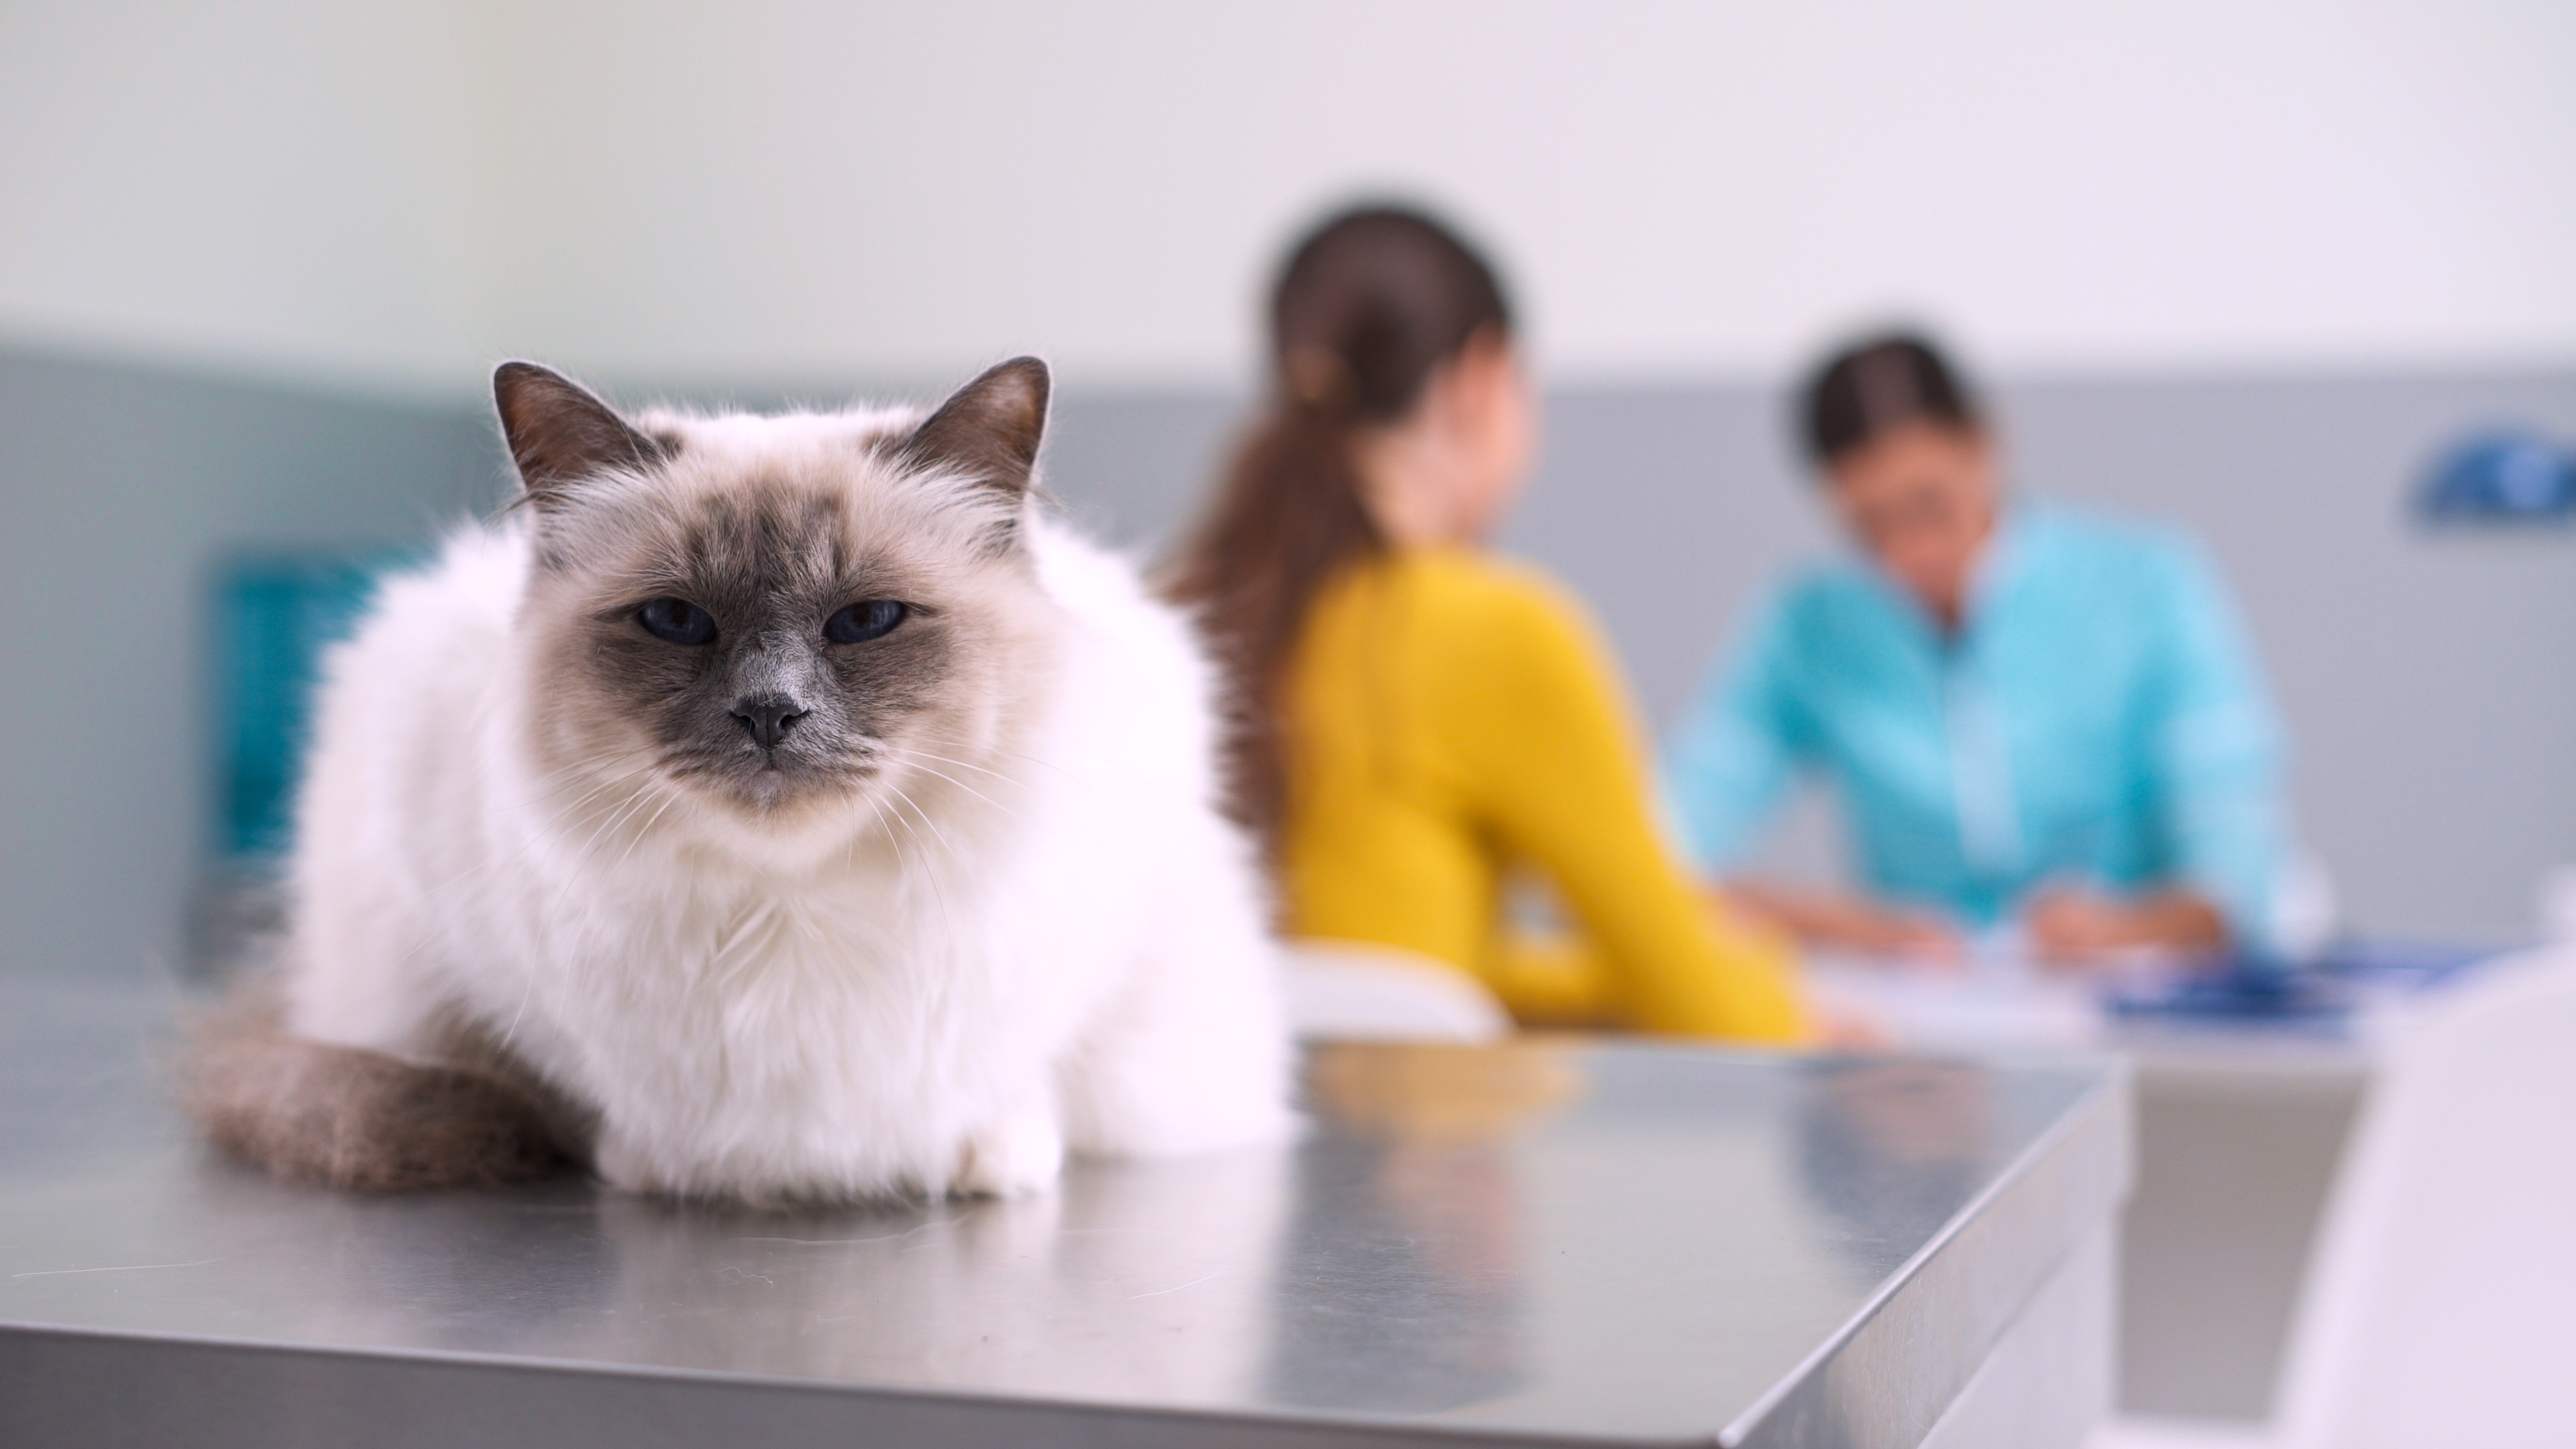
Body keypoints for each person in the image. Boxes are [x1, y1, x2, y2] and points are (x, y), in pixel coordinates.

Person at [1167, 205, 1807, 1042]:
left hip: (1214, 1155)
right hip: (1423, 1166)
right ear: (1479, 379)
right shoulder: (1498, 628)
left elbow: (1375, 966)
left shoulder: (1177, 611)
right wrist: (1779, 974)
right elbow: (1710, 1011)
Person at [1663, 333, 2287, 963]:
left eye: (1930, 505)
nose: (1911, 552)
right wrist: (1845, 926)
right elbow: (1665, 848)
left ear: (1985, 446)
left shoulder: (2148, 585)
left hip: (2134, 1004)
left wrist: (2123, 930)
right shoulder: (1808, 625)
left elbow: (2234, 861)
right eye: (1869, 525)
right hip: (1924, 1027)